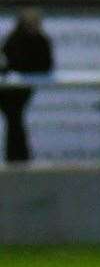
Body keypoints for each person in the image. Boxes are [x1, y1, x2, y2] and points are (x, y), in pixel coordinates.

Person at [1, 9, 54, 163]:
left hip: (24, 88)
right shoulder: (13, 39)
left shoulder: (43, 41)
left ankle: (17, 157)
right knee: (14, 118)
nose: (33, 27)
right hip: (9, 89)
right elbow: (8, 61)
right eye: (29, 24)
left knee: (15, 119)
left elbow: (47, 65)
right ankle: (18, 157)